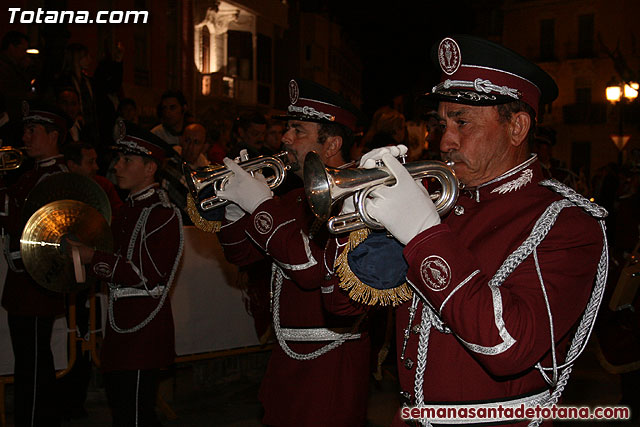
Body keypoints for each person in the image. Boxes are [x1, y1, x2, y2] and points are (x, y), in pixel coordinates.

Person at [334, 35, 609, 426]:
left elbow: (508, 347)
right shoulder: (438, 202)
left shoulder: (567, 222)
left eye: (462, 121)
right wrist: (361, 221)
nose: (445, 140)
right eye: (442, 123)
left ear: (517, 127)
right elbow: (342, 307)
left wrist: (423, 233)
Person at [199, 79, 371, 426]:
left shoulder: (357, 198)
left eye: (298, 130)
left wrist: (261, 204)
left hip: (331, 359)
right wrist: (235, 210)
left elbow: (310, 269)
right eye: (288, 128)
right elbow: (242, 257)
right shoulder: (294, 198)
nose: (284, 138)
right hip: (286, 357)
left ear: (333, 143)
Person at [69, 121, 183, 426]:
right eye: (118, 159)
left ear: (149, 168)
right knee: (123, 409)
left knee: (134, 412)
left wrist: (93, 256)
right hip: (120, 325)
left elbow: (148, 275)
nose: (116, 166)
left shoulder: (162, 214)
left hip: (142, 328)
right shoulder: (125, 210)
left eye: (126, 160)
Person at [0, 101, 72, 427]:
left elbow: (34, 224)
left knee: (31, 363)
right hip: (23, 282)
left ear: (54, 136)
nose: (25, 137)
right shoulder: (32, 174)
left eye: (33, 131)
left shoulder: (58, 177)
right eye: (25, 130)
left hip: (36, 280)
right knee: (34, 359)